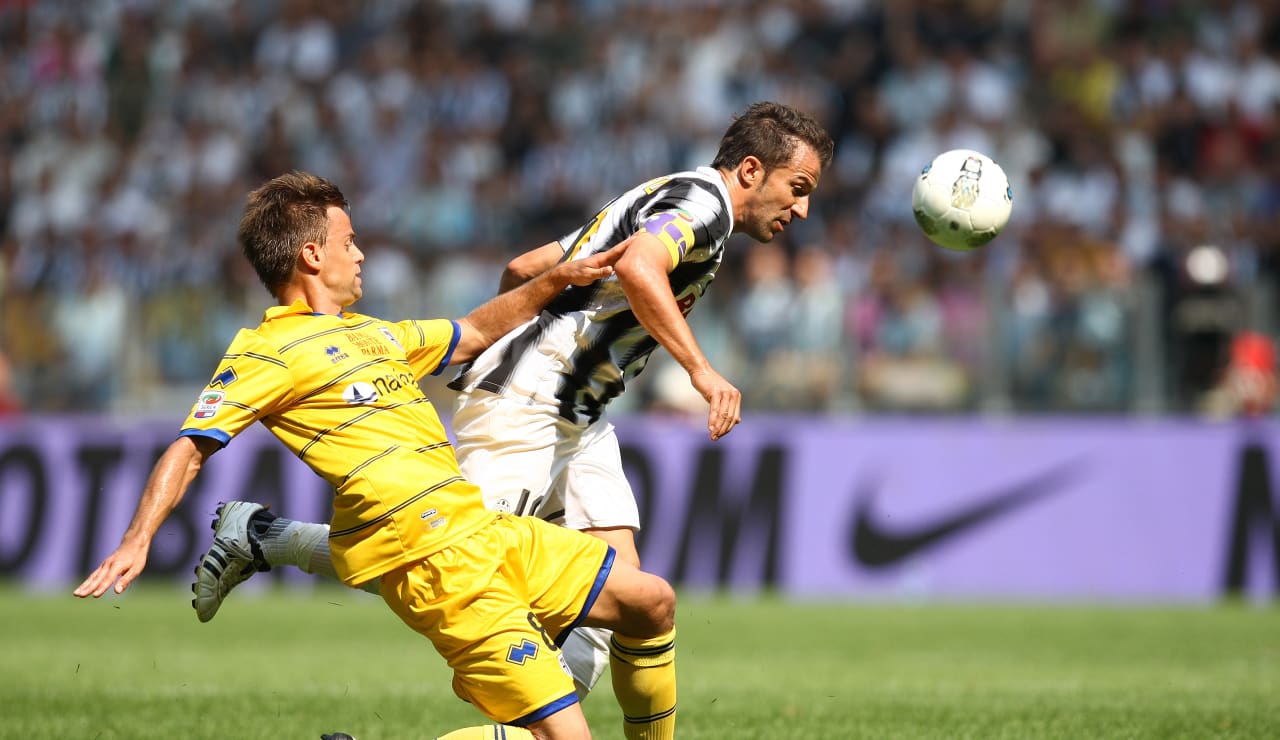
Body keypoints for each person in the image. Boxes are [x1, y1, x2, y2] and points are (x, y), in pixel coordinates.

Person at [192, 100, 833, 700]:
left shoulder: (666, 192)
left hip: (576, 416)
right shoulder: (704, 209)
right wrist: (703, 372)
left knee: (633, 600)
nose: (801, 211)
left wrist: (524, 337)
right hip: (526, 409)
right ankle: (264, 536)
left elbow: (526, 267)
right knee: (438, 555)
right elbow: (641, 268)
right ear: (751, 170)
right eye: (797, 188)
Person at [74, 171, 678, 740]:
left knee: (650, 602)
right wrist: (137, 538)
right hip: (438, 562)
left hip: (488, 532)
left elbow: (469, 332)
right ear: (313, 255)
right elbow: (192, 445)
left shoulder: (373, 334)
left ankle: (266, 538)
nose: (360, 254)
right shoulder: (269, 352)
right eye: (349, 240)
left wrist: (551, 282)